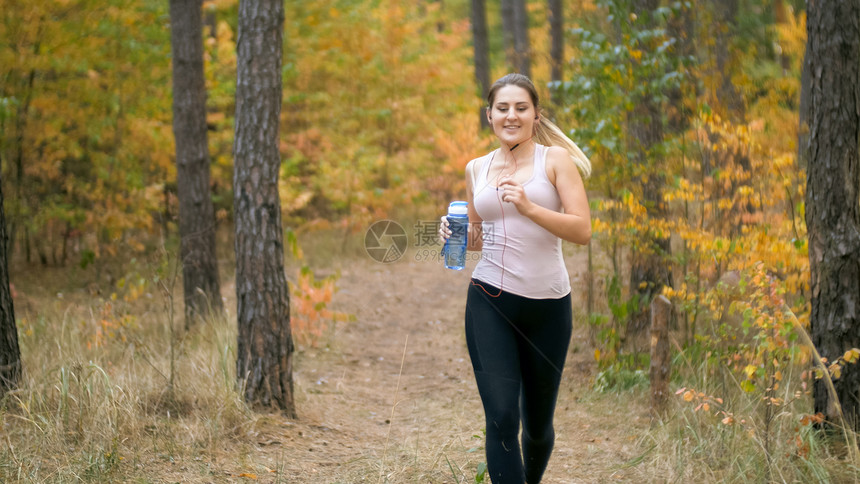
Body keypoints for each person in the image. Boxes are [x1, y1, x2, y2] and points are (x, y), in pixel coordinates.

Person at [439, 73, 591, 483]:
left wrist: (529, 207)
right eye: (502, 108)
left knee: (537, 427)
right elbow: (476, 235)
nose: (511, 115)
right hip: (490, 300)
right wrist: (454, 234)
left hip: (548, 307)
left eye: (521, 108)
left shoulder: (555, 161)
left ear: (535, 114)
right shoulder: (477, 168)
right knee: (503, 418)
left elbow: (582, 230)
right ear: (489, 115)